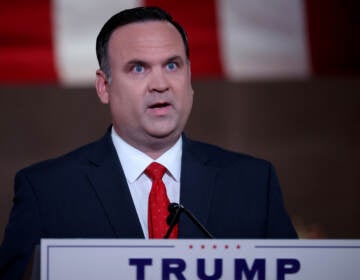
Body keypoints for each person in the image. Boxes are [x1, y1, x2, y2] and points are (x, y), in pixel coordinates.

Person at [0, 6, 297, 280]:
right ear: (104, 86)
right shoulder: (47, 191)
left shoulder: (253, 183)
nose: (160, 84)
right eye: (138, 68)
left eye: (172, 65)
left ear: (189, 77)